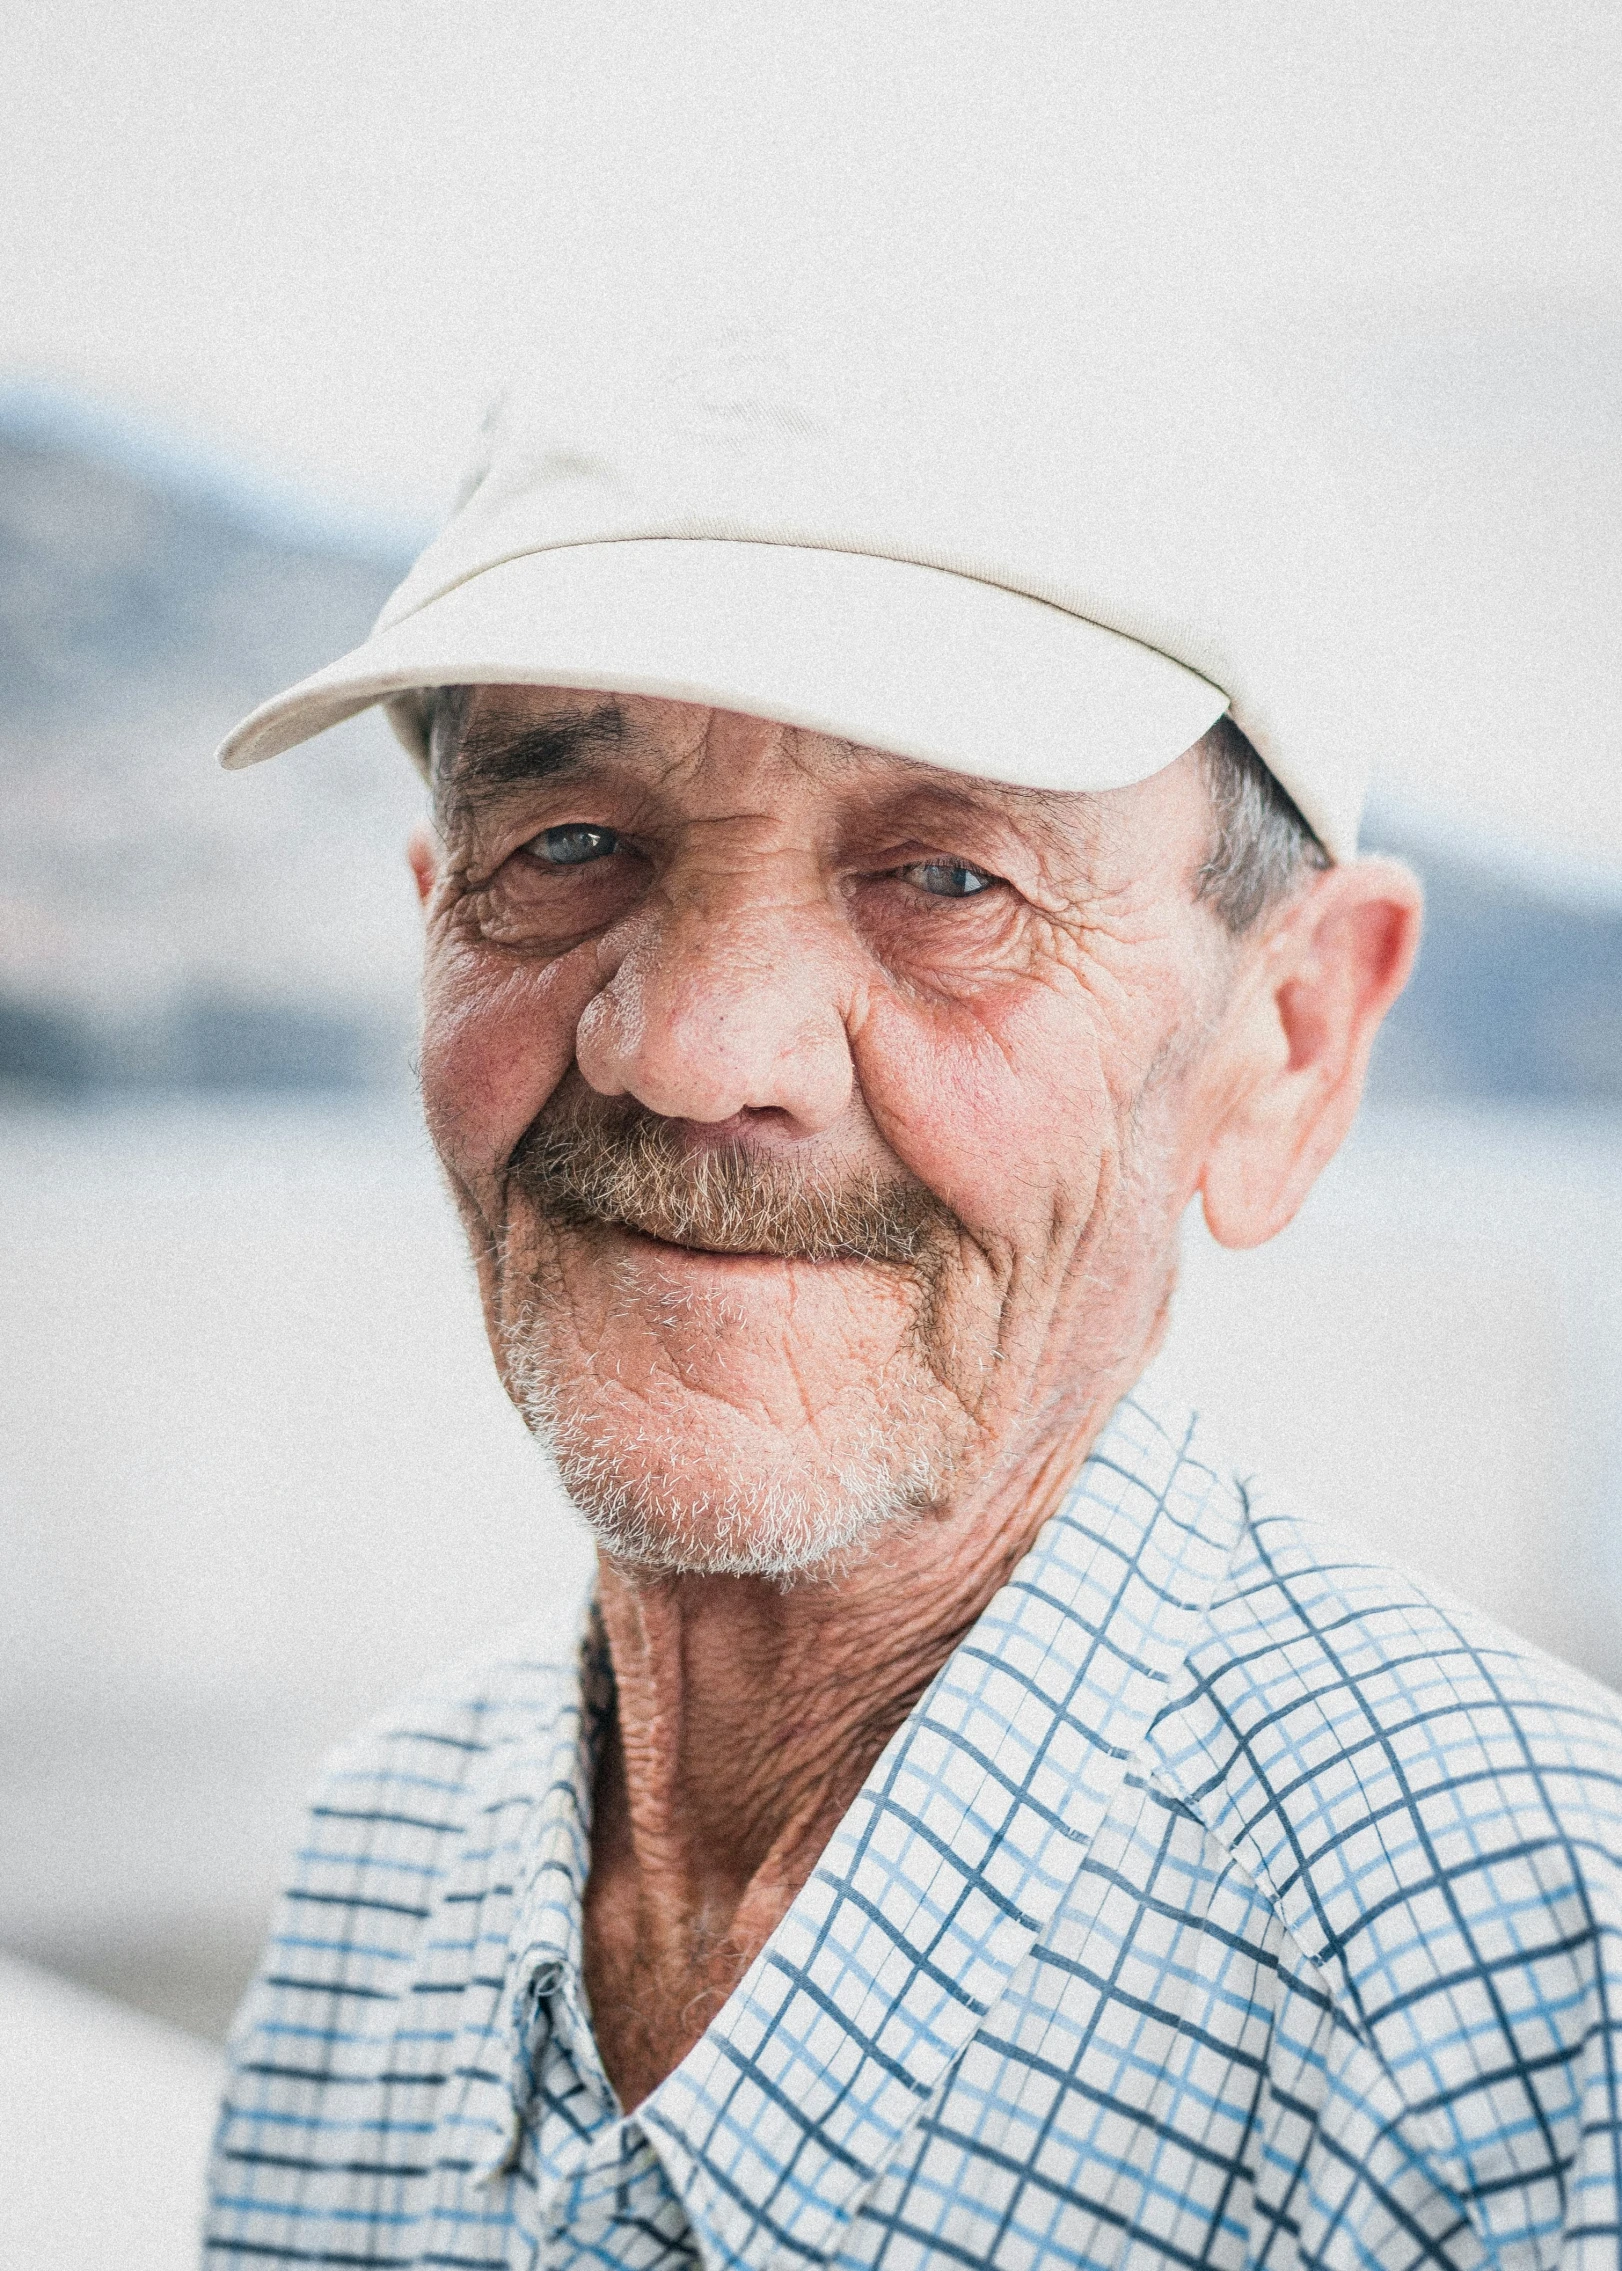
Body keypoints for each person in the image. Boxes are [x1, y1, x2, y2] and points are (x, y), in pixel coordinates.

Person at [200, 304, 1622, 2270]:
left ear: (1290, 1037)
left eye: (951, 880)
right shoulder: (384, 1866)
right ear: (438, 922)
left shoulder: (1538, 2032)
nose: (694, 1047)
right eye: (574, 840)